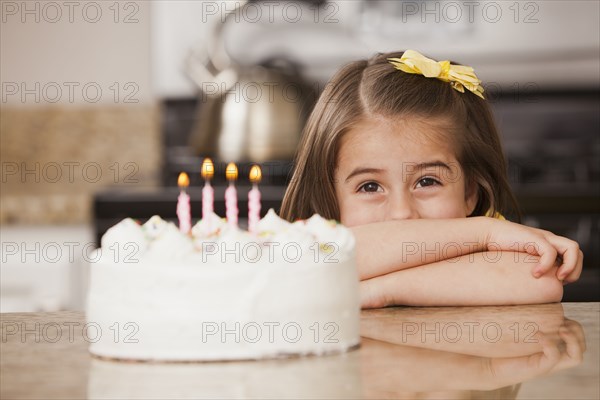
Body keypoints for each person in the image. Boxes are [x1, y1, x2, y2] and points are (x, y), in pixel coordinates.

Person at [280, 50, 583, 308]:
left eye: (427, 181)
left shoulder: (483, 238)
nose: (401, 212)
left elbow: (541, 281)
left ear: (470, 194)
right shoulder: (305, 245)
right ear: (331, 199)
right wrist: (484, 233)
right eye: (370, 186)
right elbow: (315, 259)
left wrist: (379, 291)